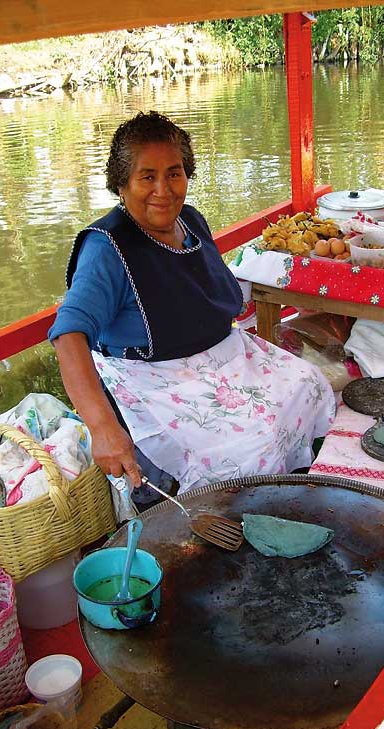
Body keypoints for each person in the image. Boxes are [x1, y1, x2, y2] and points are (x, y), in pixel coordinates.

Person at [49, 111, 336, 499]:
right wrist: (102, 427)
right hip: (156, 377)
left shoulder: (190, 220)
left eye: (174, 173)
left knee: (309, 383)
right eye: (146, 176)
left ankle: (287, 486)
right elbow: (68, 335)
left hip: (221, 357)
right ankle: (234, 515)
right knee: (252, 443)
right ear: (121, 183)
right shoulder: (107, 247)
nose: (163, 190)